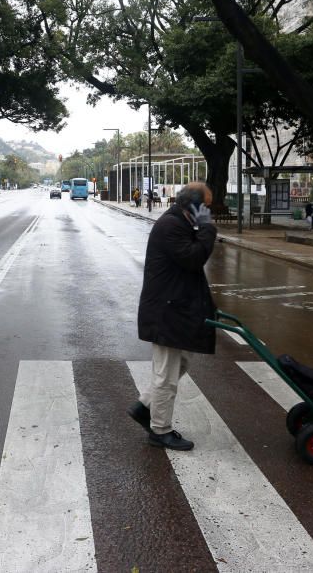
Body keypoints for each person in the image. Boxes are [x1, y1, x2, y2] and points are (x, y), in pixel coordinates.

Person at [128, 182, 218, 451]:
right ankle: (160, 431)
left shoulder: (179, 222)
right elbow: (193, 258)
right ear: (194, 205)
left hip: (173, 309)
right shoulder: (171, 226)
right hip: (166, 313)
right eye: (206, 206)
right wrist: (207, 228)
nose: (208, 212)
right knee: (166, 375)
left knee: (181, 362)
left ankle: (144, 406)